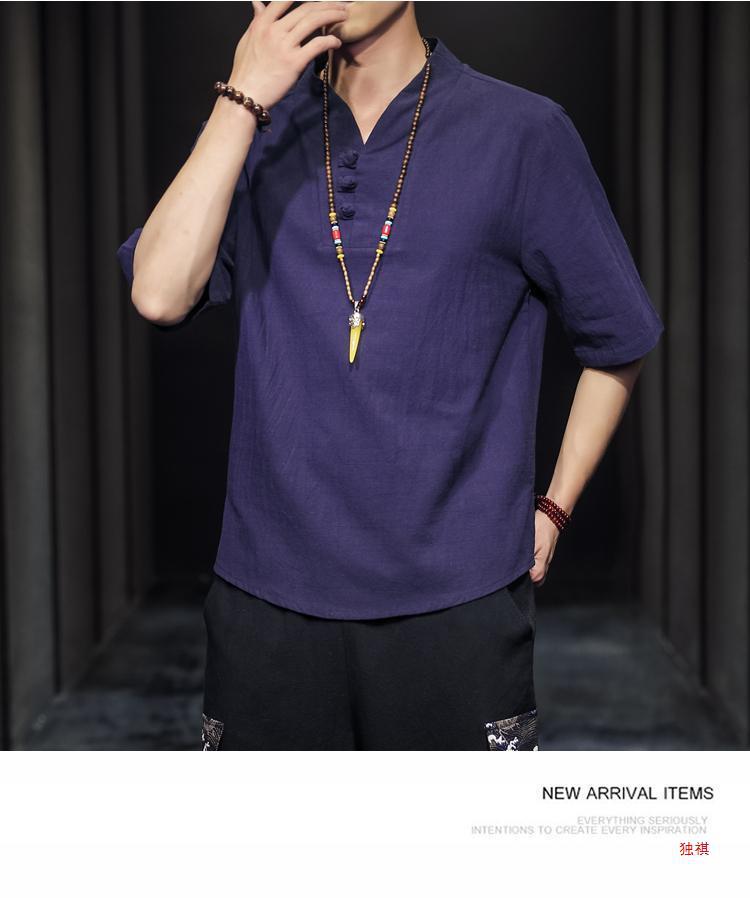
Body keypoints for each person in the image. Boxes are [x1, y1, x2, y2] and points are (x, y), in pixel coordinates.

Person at [116, 1, 664, 750]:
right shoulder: (257, 128)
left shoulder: (521, 133)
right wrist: (242, 95)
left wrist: (555, 507)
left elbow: (619, 335)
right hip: (266, 603)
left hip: (455, 608)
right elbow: (158, 293)